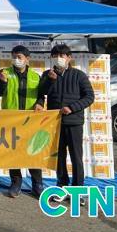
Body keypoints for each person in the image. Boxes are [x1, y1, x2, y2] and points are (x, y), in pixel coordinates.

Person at [36, 44, 94, 205]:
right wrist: (48, 83)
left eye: (62, 55)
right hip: (54, 123)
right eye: (55, 56)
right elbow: (41, 93)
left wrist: (72, 108)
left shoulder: (79, 75)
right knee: (59, 157)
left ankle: (78, 191)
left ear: (69, 58)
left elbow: (89, 97)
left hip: (74, 123)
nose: (58, 58)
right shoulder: (47, 74)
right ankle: (61, 187)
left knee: (76, 157)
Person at [0, 45, 44, 198]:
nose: (16, 60)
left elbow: (41, 95)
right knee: (13, 152)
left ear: (27, 59)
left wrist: (40, 103)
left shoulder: (35, 76)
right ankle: (16, 183)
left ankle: (37, 184)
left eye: (19, 57)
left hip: (31, 120)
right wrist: (2, 82)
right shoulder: (5, 73)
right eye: (14, 57)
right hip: (12, 120)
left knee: (33, 151)